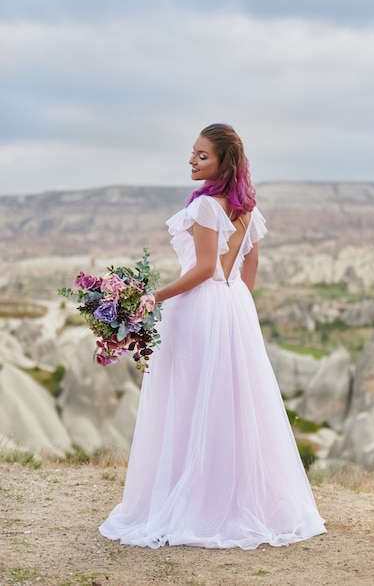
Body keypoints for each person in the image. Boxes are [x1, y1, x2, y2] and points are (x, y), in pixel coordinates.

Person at [99, 123, 326, 549]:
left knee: (189, 400)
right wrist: (235, 306)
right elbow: (249, 267)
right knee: (230, 403)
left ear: (224, 162)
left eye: (202, 156)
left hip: (200, 307)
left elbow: (203, 269)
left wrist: (155, 297)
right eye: (192, 153)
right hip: (232, 305)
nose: (192, 160)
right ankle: (229, 496)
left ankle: (197, 500)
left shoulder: (207, 209)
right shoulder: (247, 210)